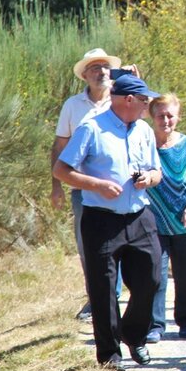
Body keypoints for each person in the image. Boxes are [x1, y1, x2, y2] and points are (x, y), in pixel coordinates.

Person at [52, 74, 163, 371]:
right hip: (100, 219)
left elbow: (157, 171)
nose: (146, 106)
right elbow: (61, 169)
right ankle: (109, 354)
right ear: (128, 100)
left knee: (151, 278)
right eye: (144, 100)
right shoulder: (92, 128)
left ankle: (133, 333)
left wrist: (148, 178)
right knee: (102, 288)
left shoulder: (144, 130)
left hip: (140, 215)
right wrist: (95, 184)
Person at [51, 48, 132, 320]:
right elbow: (60, 146)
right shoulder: (72, 106)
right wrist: (56, 186)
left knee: (123, 243)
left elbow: (144, 126)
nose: (101, 72)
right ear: (85, 75)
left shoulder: (122, 100)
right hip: (84, 189)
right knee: (89, 246)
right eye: (95, 68)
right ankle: (97, 297)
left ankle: (115, 295)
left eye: (105, 67)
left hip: (123, 188)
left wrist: (137, 88)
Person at [146, 94, 186, 342]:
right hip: (153, 223)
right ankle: (155, 325)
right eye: (161, 115)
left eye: (170, 115)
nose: (166, 120)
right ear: (152, 117)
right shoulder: (144, 145)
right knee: (155, 275)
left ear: (178, 117)